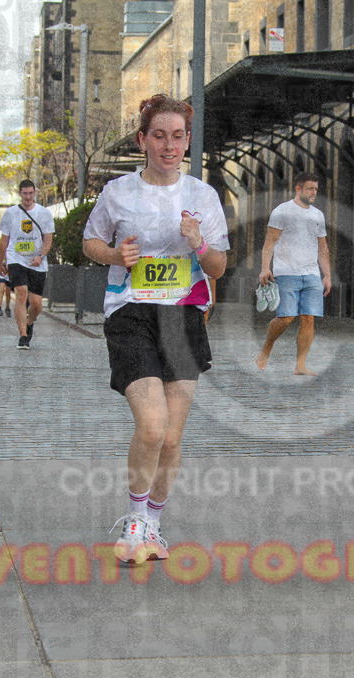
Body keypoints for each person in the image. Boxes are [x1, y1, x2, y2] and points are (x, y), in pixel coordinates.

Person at [83, 93, 229, 564]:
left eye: (179, 137)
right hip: (130, 312)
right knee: (151, 424)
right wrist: (113, 255)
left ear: (187, 142)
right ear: (143, 140)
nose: (169, 145)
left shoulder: (202, 196)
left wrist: (198, 243)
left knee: (171, 437)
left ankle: (154, 525)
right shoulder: (117, 192)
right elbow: (90, 242)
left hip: (183, 315)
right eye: (160, 136)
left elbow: (219, 265)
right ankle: (134, 520)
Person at [254, 172, 332, 375]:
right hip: (286, 272)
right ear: (298, 189)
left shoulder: (318, 215)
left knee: (308, 319)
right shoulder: (282, 211)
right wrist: (265, 267)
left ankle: (300, 365)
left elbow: (323, 248)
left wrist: (327, 274)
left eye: (316, 188)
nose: (314, 192)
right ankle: (267, 348)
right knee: (286, 318)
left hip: (312, 274)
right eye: (310, 188)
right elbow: (269, 242)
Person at [0, 180, 54, 349]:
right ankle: (23, 336)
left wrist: (41, 255)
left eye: (31, 193)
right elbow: (4, 240)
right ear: (19, 193)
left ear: (35, 193)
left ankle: (29, 322)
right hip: (17, 258)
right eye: (25, 193)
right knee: (21, 294)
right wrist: (0, 262)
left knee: (36, 304)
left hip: (37, 262)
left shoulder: (44, 213)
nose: (28, 197)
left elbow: (48, 239)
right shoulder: (11, 213)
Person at [0, 241, 12, 316]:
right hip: (2, 273)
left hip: (9, 273)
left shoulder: (11, 249)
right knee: (2, 290)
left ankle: (7, 307)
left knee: (8, 291)